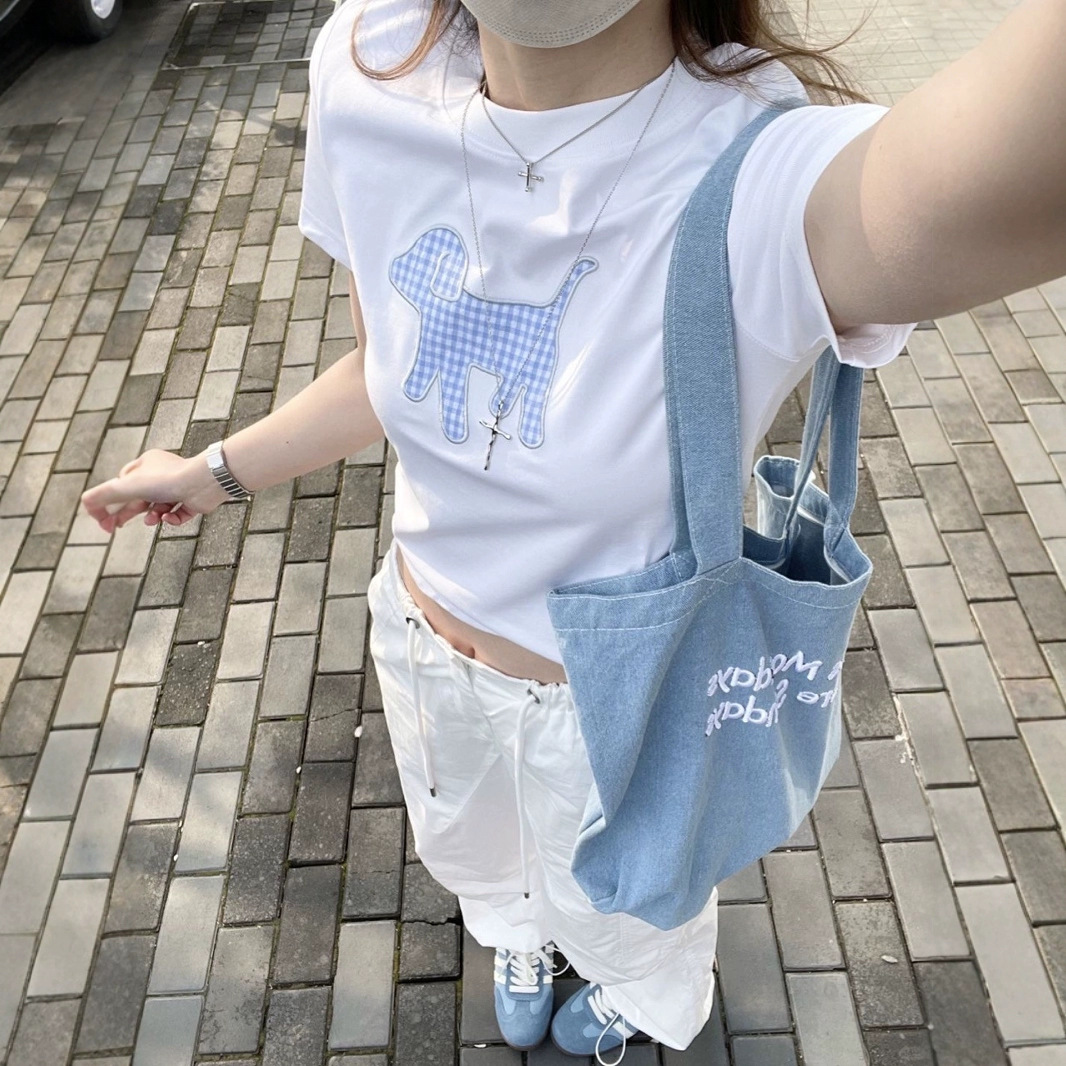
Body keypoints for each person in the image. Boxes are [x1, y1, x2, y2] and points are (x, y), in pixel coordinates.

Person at [81, 0, 1066, 1059]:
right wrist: (216, 471)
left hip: (621, 712)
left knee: (633, 912)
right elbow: (392, 366)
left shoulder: (767, 174)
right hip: (423, 652)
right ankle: (520, 934)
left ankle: (635, 992)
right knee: (487, 861)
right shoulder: (367, 68)